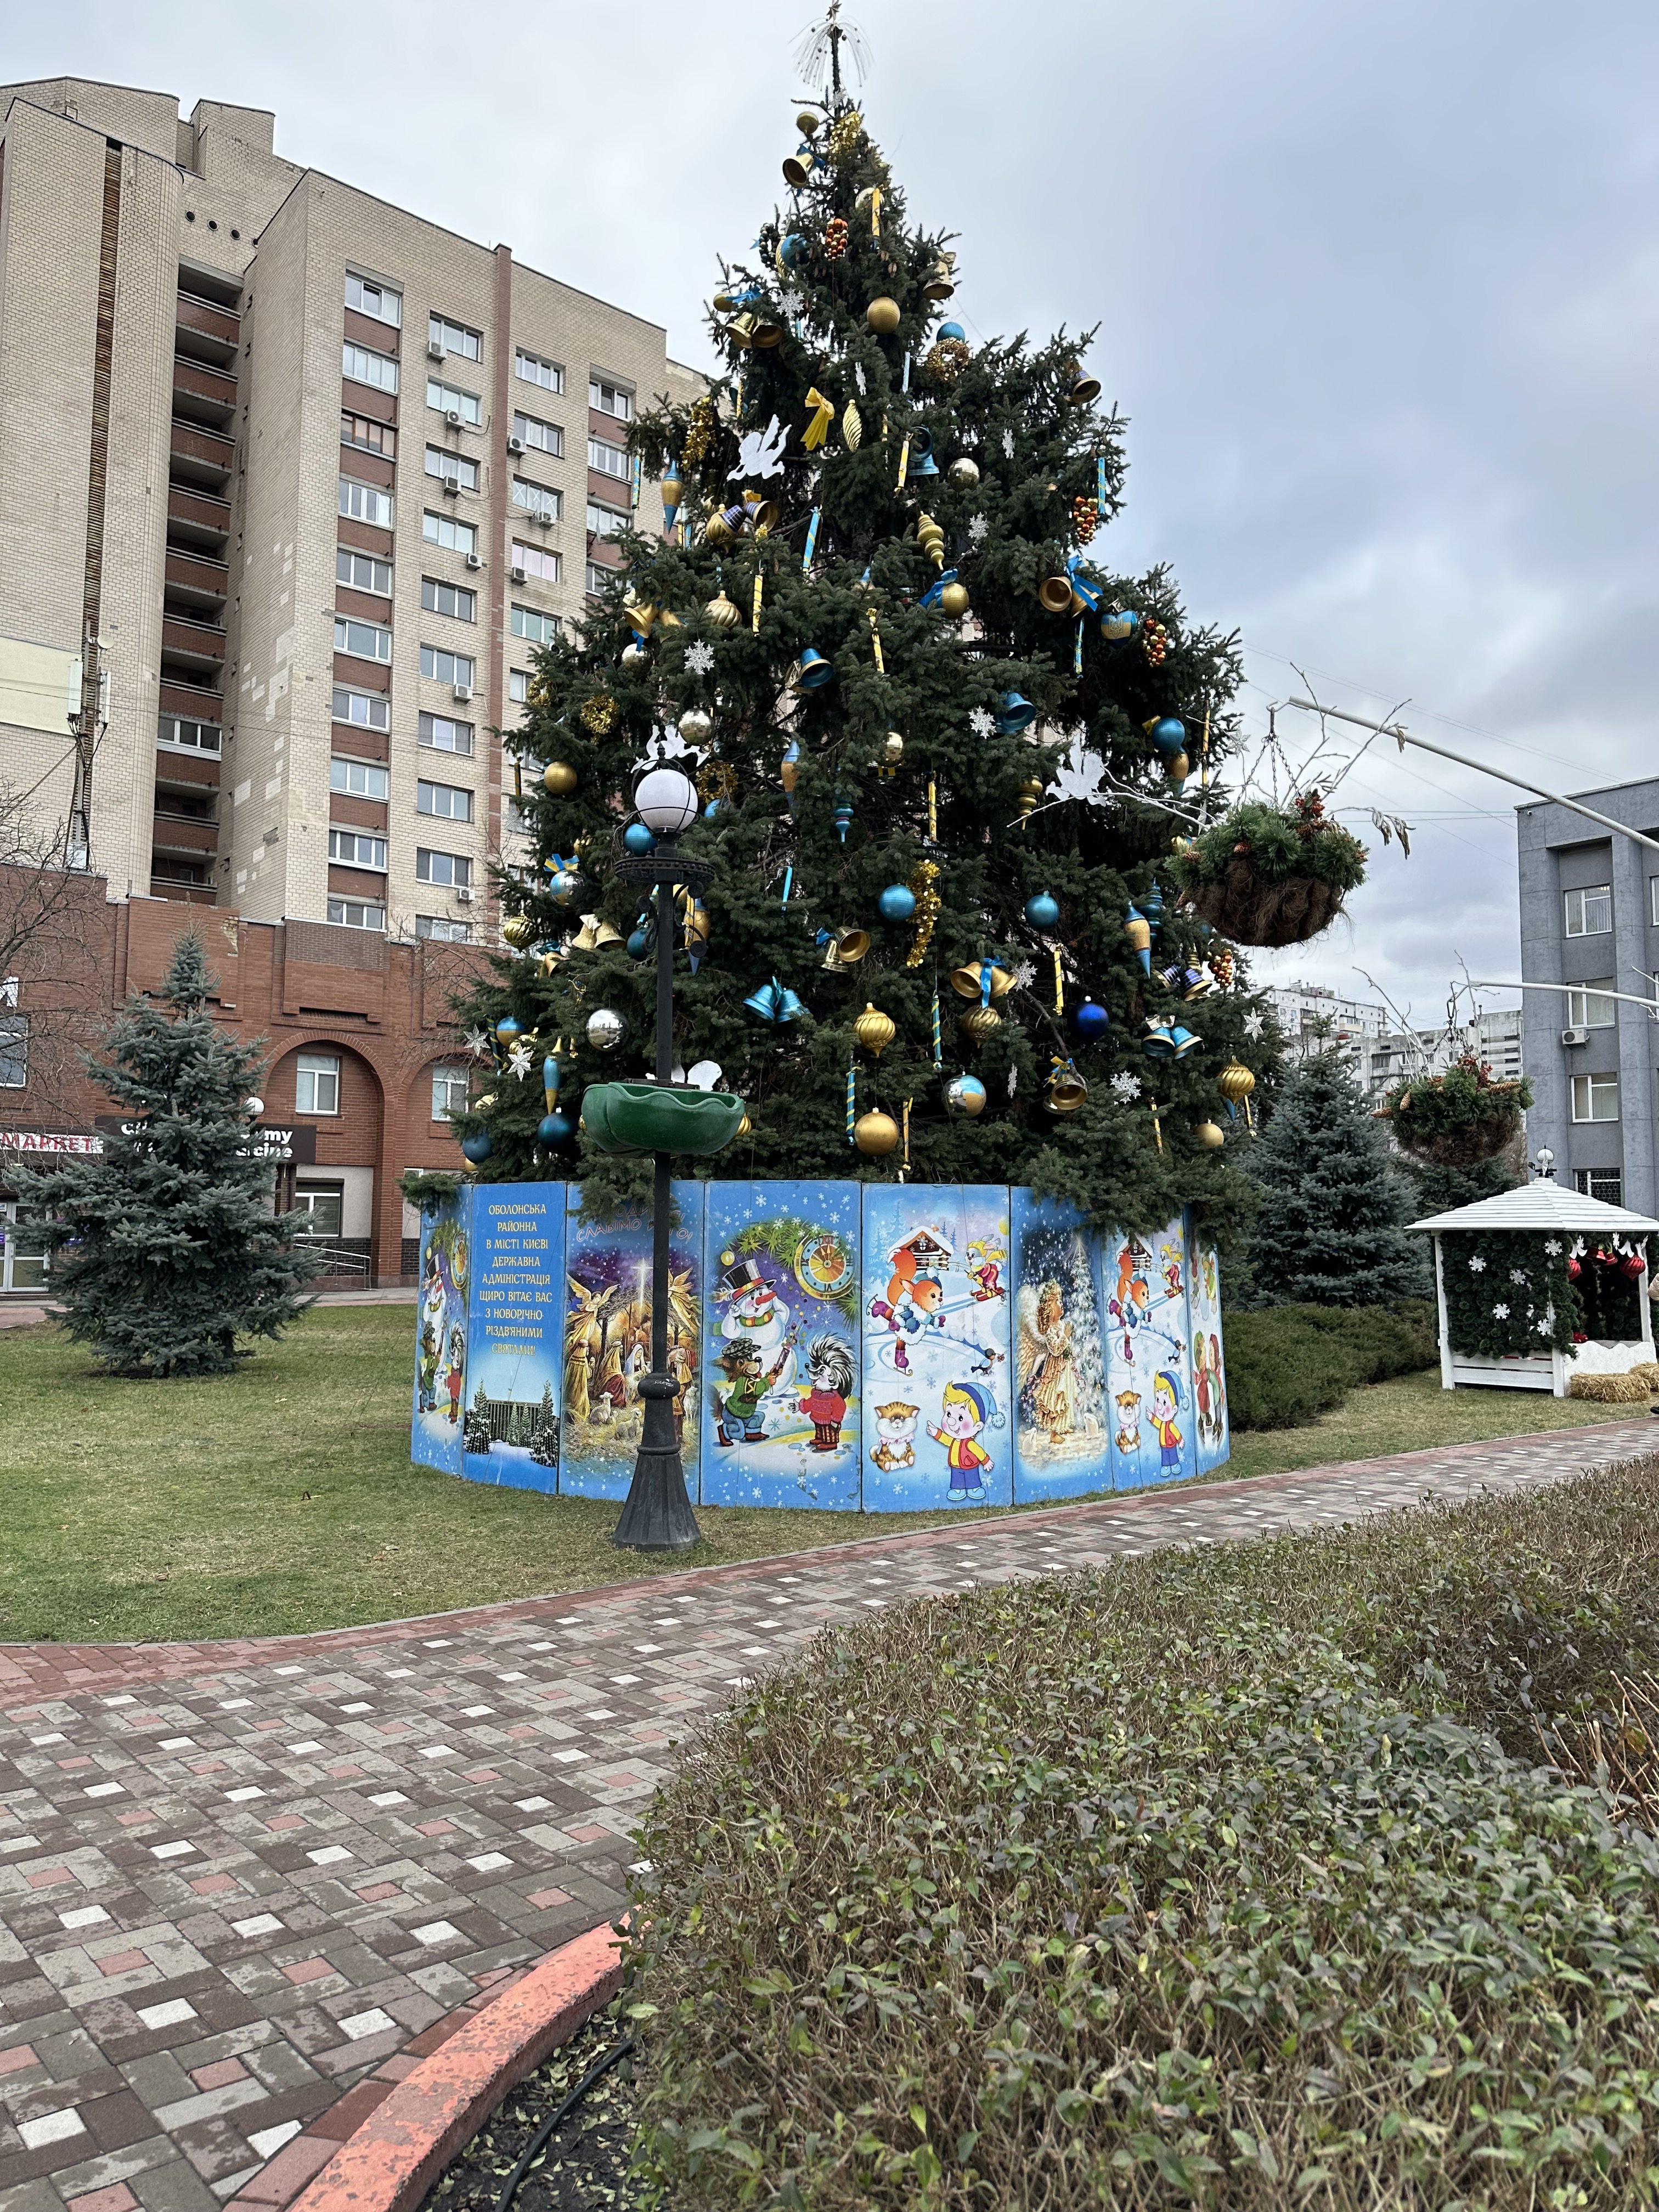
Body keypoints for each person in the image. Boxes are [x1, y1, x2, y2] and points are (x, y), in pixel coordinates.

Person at [928, 1380, 994, 1499]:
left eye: (960, 1418)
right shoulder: (955, 1441)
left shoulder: (969, 1443)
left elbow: (978, 1451)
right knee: (957, 1478)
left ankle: (974, 1488)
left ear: (978, 1426)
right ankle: (958, 1490)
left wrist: (986, 1461)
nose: (951, 1421)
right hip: (955, 1465)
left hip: (970, 1465)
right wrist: (936, 1433)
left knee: (972, 1478)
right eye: (949, 1414)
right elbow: (947, 1440)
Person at [798, 1336, 854, 1451]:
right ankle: (820, 1438)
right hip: (818, 1417)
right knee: (819, 1428)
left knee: (829, 1432)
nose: (815, 1380)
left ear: (834, 1381)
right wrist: (802, 1406)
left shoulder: (834, 1398)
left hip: (830, 1421)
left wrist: (835, 1419)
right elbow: (811, 1403)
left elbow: (840, 1407)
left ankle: (830, 1443)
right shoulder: (817, 1394)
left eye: (821, 1377)